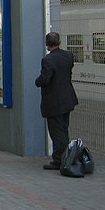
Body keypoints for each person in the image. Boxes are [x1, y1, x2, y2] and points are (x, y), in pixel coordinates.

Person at [35, 32, 79, 170]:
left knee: (56, 132)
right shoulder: (68, 56)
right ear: (59, 41)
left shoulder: (48, 60)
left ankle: (59, 160)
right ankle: (66, 156)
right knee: (64, 129)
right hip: (68, 99)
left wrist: (37, 81)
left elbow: (45, 79)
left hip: (54, 102)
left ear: (47, 44)